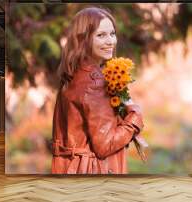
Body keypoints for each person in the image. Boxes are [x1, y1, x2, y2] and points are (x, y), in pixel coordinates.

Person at [51, 7, 144, 174]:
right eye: (101, 35)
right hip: (92, 172)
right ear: (83, 39)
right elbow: (105, 145)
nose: (110, 41)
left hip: (70, 168)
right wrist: (134, 117)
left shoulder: (73, 74)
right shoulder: (95, 83)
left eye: (112, 34)